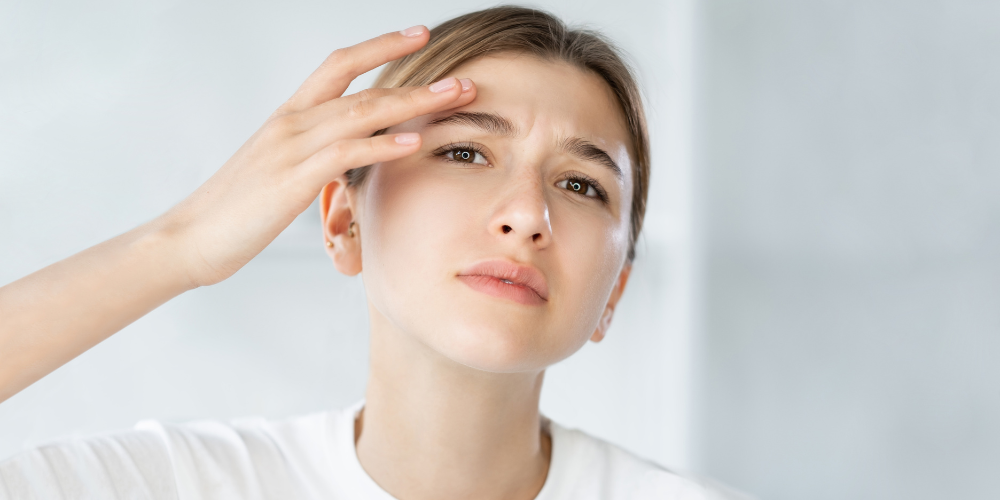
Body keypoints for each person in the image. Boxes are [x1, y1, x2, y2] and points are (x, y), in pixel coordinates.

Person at [0, 6, 745, 500]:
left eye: (581, 184)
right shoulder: (180, 485)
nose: (527, 216)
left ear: (614, 291)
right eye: (465, 151)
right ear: (342, 222)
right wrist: (181, 246)